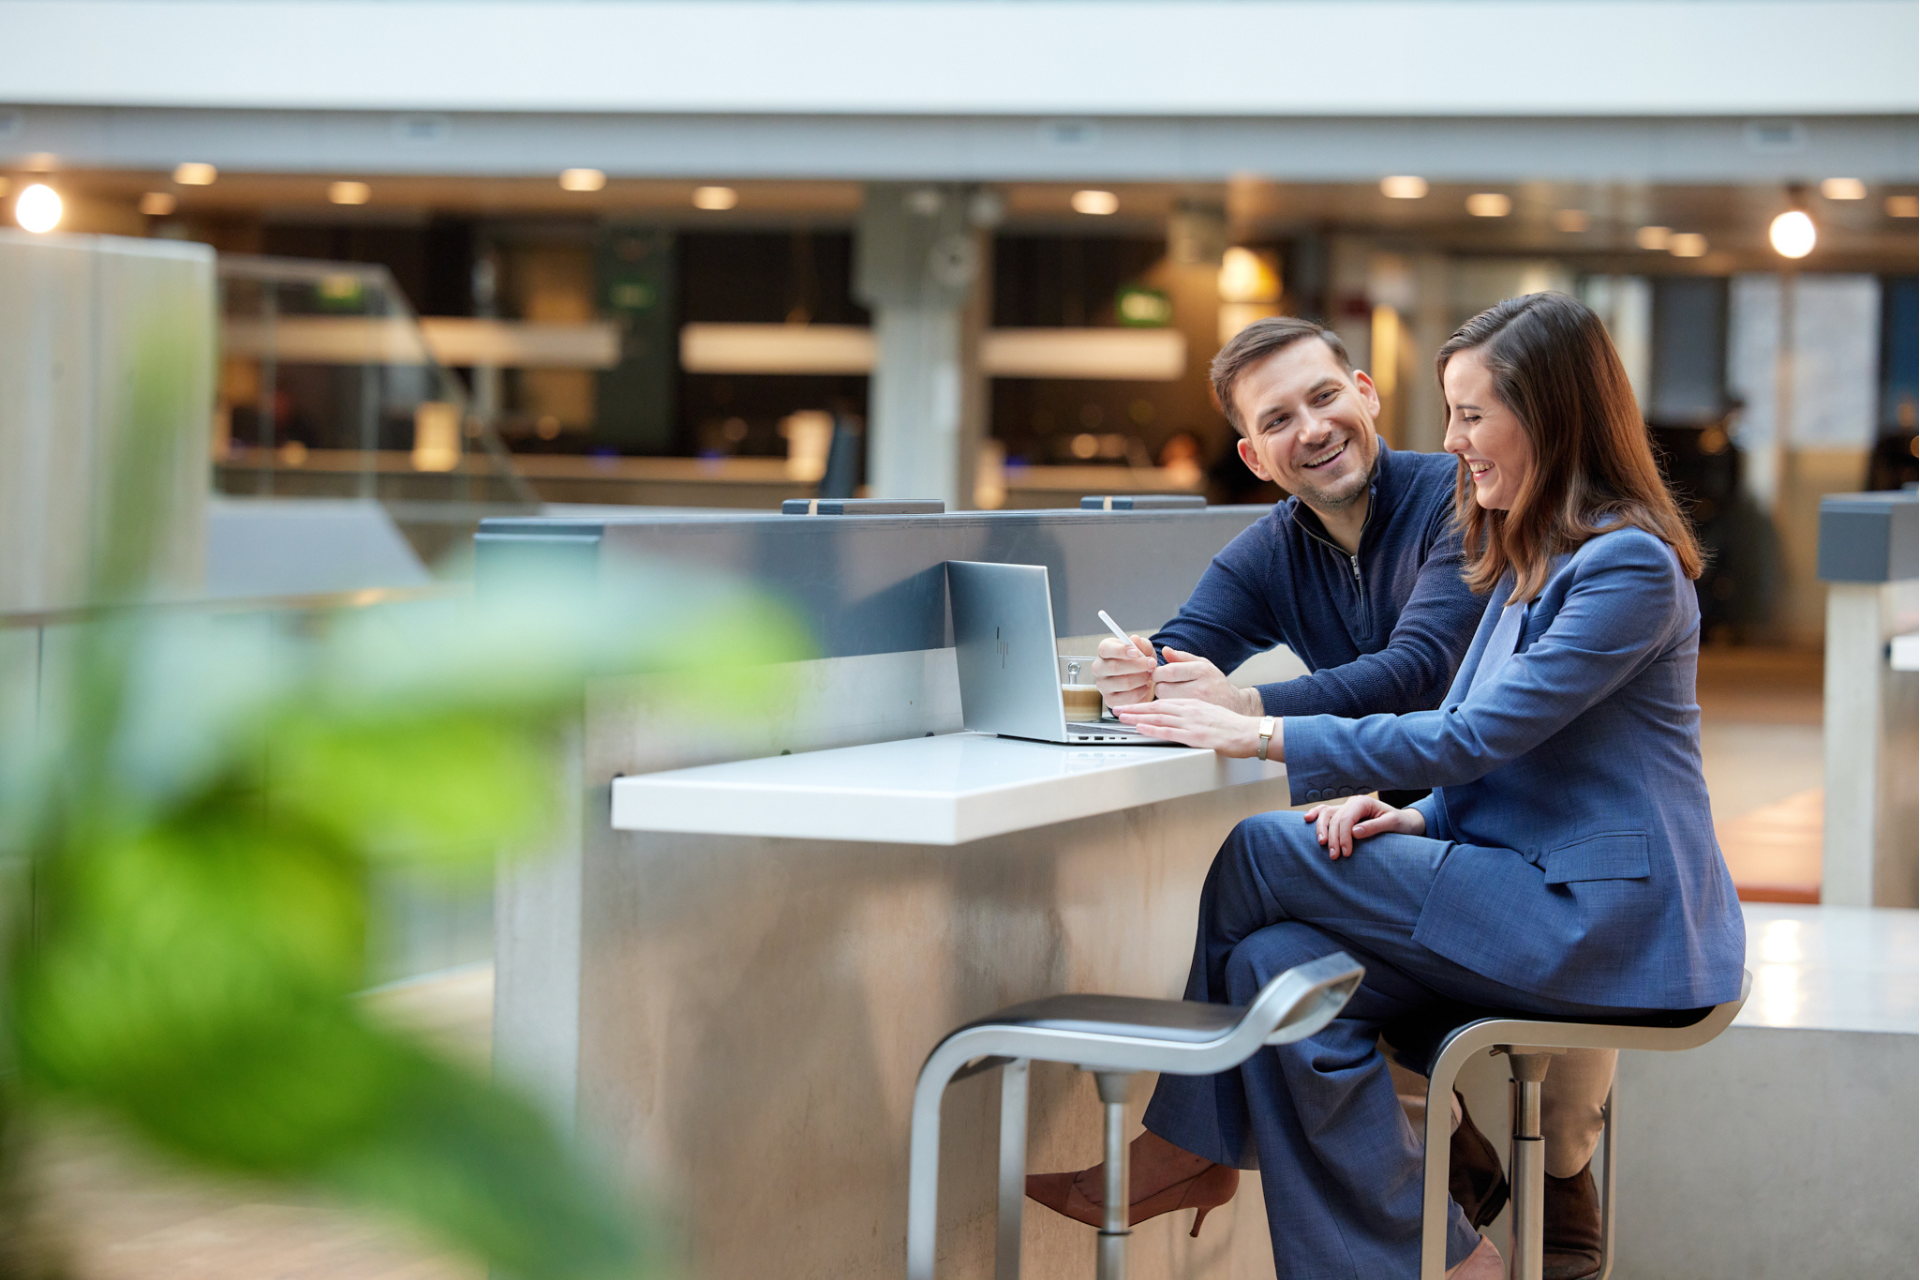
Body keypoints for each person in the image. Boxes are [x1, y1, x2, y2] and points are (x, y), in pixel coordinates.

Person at [1031, 293, 1747, 1279]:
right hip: (1520, 885)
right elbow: (1500, 752)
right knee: (1277, 968)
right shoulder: (1528, 549)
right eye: (1451, 416)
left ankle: (1190, 1145)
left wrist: (1261, 726)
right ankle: (1452, 1263)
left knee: (1257, 848)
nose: (1452, 441)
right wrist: (1403, 808)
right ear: (1253, 450)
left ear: (1546, 413)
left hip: (1604, 921)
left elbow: (1471, 724)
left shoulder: (1625, 563)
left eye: (1471, 414)